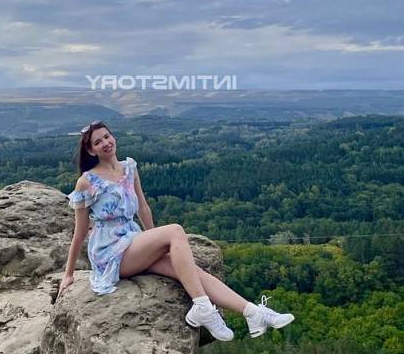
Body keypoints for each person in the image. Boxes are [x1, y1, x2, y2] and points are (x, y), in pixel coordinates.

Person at [58, 120, 294, 342]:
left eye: (107, 136)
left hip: (132, 241)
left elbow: (143, 207)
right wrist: (68, 274)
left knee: (192, 271)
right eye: (98, 142)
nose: (105, 143)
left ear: (113, 137)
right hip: (110, 253)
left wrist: (153, 242)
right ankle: (202, 306)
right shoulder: (87, 182)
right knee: (175, 230)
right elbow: (80, 232)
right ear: (91, 151)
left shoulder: (129, 168)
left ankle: (252, 313)